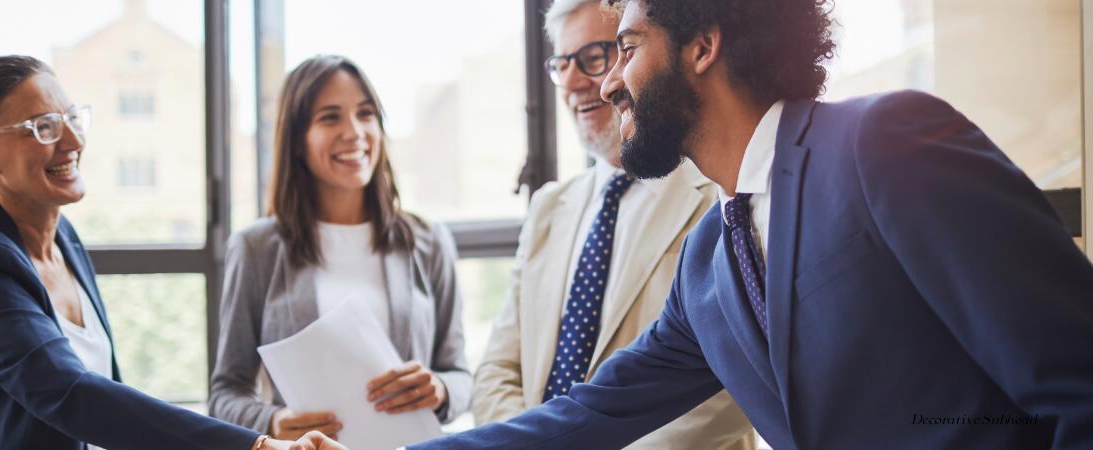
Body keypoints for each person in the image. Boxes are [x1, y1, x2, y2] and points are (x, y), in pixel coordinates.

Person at [409, 0, 1093, 448]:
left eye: (627, 48)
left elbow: (1075, 378)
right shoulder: (708, 260)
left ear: (702, 45)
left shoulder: (881, 141)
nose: (609, 83)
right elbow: (585, 417)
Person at [0, 55, 336, 450]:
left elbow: (105, 392)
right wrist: (256, 445)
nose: (72, 141)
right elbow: (71, 394)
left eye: (71, 118)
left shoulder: (61, 237)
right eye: (43, 128)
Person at [470, 1, 752, 449]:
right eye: (562, 65)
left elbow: (730, 387)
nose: (581, 83)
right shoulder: (548, 207)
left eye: (596, 57)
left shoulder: (720, 194)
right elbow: (497, 371)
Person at [208, 55, 470, 442]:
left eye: (366, 114)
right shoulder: (256, 249)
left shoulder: (427, 241)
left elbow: (461, 375)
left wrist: (442, 389)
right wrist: (273, 421)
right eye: (330, 117)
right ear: (298, 139)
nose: (354, 132)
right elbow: (224, 393)